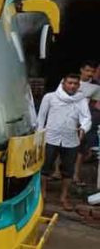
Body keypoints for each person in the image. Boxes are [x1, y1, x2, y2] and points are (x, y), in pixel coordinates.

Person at [38, 74, 92, 211]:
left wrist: (83, 128)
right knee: (45, 167)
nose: (72, 86)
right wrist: (39, 135)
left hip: (71, 140)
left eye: (75, 83)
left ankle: (64, 197)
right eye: (70, 83)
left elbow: (87, 118)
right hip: (51, 137)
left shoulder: (81, 100)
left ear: (79, 86)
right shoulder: (50, 97)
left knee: (68, 171)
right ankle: (42, 193)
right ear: (63, 83)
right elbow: (41, 117)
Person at [75, 60, 100, 185]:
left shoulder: (96, 87)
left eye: (92, 71)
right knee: (62, 145)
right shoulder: (71, 81)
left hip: (84, 120)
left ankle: (76, 175)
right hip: (66, 118)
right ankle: (57, 171)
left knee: (81, 148)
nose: (90, 73)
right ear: (81, 70)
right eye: (87, 70)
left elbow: (96, 104)